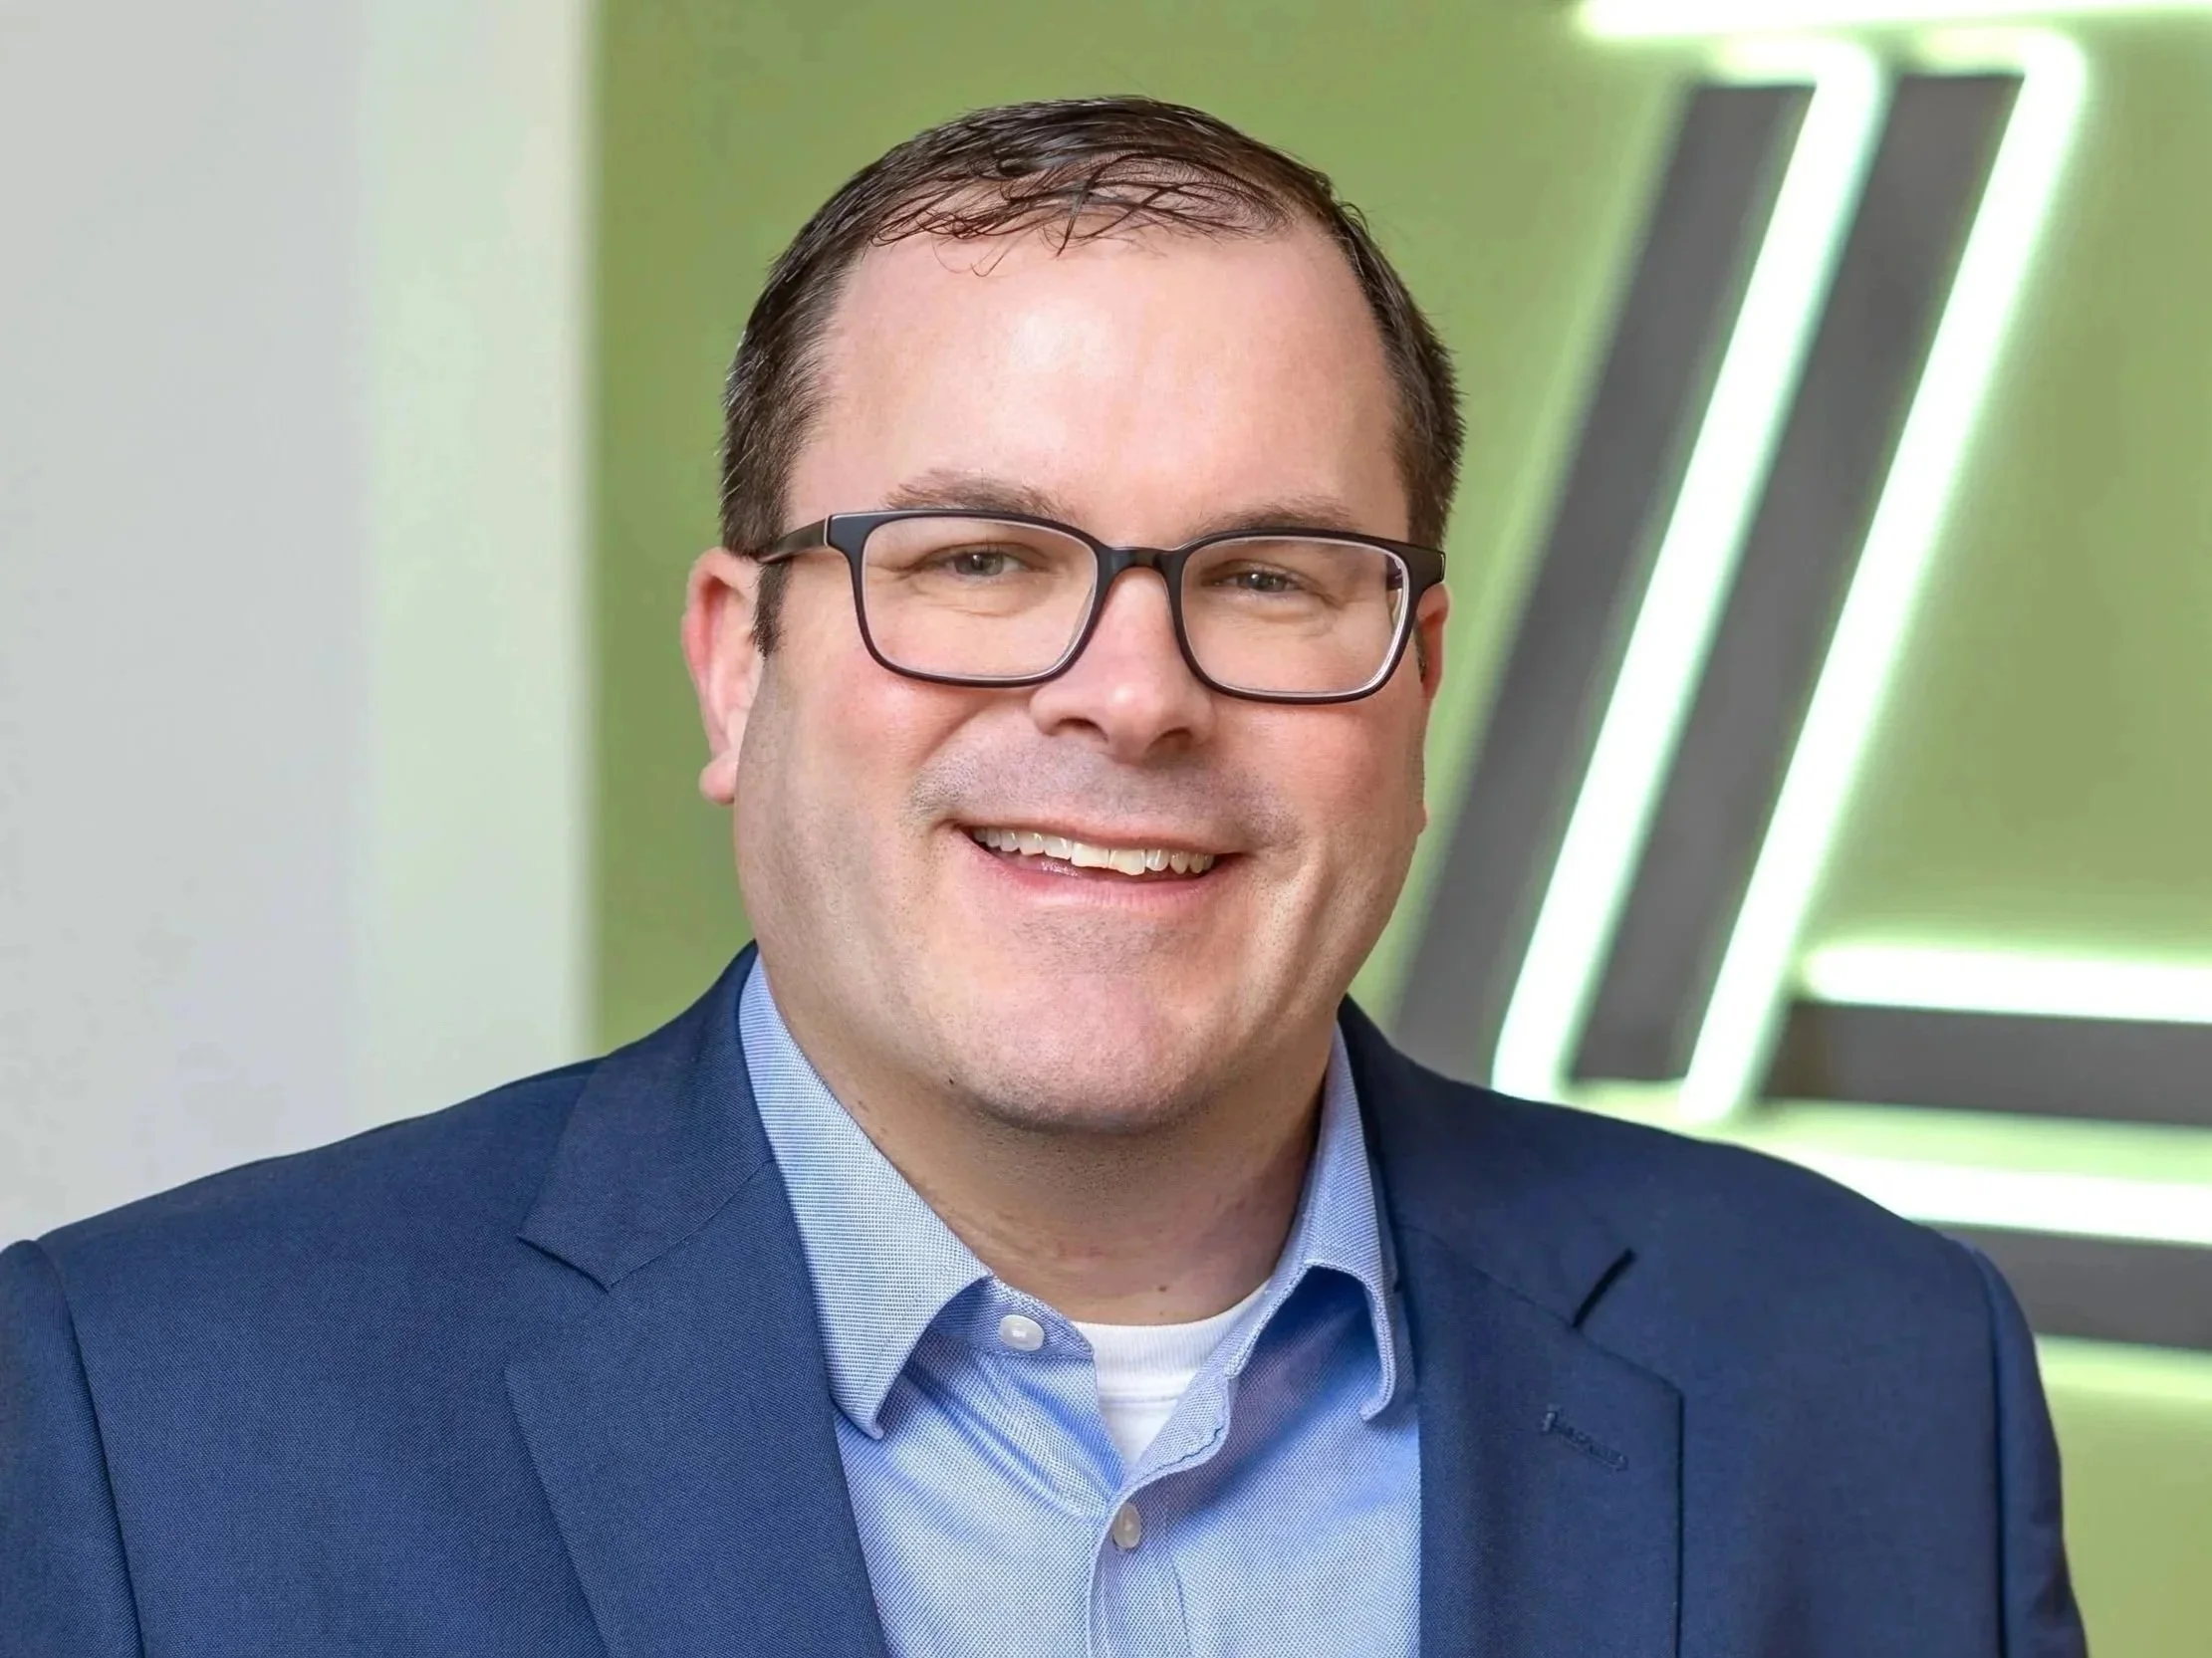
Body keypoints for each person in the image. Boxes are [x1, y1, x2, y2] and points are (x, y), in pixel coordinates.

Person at [0, 97, 2084, 1657]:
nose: (1129, 694)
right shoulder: (147, 1423)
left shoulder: (1875, 1382)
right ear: (742, 664)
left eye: (1270, 577)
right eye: (979, 559)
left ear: (1416, 686)